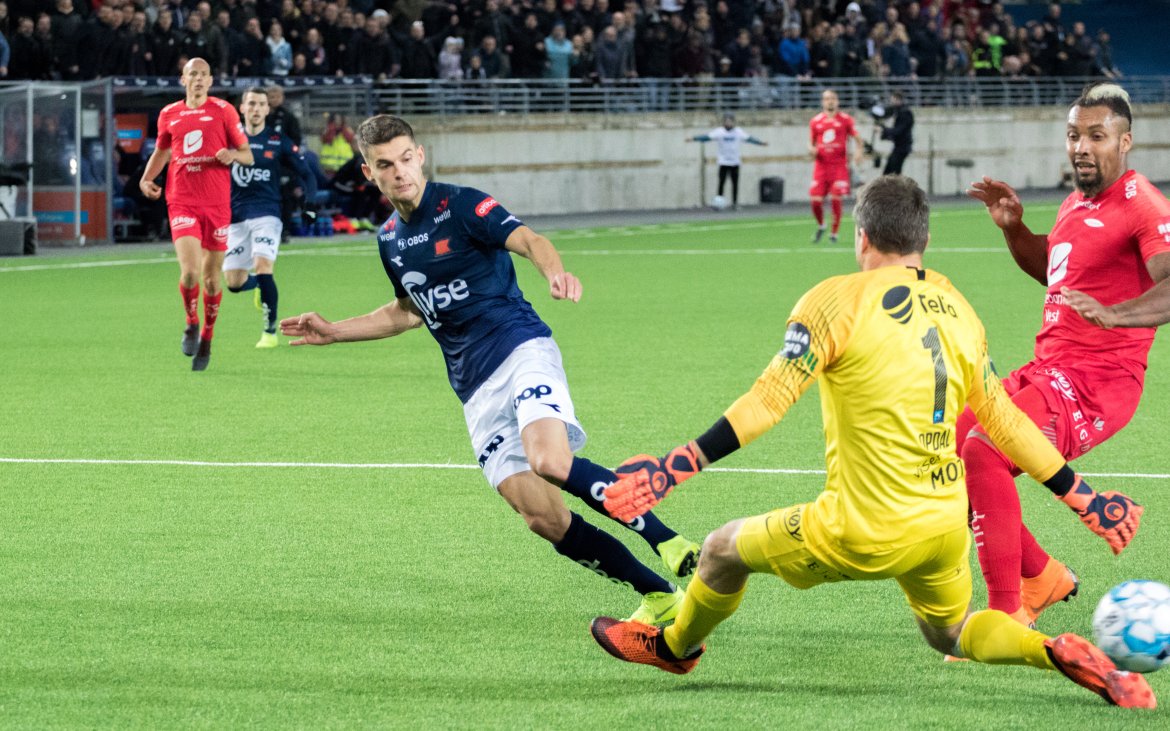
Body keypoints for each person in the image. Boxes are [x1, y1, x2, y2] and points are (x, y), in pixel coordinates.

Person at [586, 175, 1154, 709]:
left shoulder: (834, 301)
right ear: (924, 239)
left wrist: (673, 467)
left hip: (863, 527)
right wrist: (1083, 497)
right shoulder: (958, 309)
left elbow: (767, 403)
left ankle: (676, 648)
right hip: (941, 525)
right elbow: (1003, 422)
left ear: (860, 236)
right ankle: (1046, 650)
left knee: (721, 550)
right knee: (951, 635)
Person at [280, 115, 701, 624]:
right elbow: (408, 312)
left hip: (521, 348)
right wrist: (334, 331)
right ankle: (660, 595)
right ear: (370, 173)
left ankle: (670, 542)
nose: (400, 172)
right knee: (542, 517)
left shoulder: (460, 205)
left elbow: (528, 240)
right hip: (475, 391)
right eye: (385, 165)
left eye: (406, 158)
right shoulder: (389, 238)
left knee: (549, 460)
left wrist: (555, 272)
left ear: (421, 155)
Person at [961, 82, 1164, 626]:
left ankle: (1006, 613)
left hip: (1099, 382)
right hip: (1050, 369)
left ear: (1125, 142)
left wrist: (1117, 315)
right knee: (954, 444)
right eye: (1074, 134)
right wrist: (1015, 231)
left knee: (984, 451)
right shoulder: (1078, 202)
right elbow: (1054, 269)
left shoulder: (1143, 205)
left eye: (1096, 135)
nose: (1081, 146)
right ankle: (1041, 575)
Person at [139, 57, 253, 371]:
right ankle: (191, 320)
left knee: (212, 280)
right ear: (183, 79)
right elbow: (162, 150)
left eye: (204, 75)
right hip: (182, 201)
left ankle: (207, 337)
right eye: (193, 74)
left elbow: (247, 154)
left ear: (211, 80)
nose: (199, 79)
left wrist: (232, 155)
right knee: (190, 273)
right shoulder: (169, 114)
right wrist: (147, 178)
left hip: (217, 205)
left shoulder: (224, 111)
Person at [224, 87, 318, 349]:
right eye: (251, 103)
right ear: (242, 108)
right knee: (233, 283)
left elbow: (307, 173)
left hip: (268, 213)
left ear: (268, 109)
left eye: (261, 104)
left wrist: (309, 204)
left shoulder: (279, 141)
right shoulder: (227, 139)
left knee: (264, 266)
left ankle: (269, 332)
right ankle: (258, 286)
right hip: (235, 217)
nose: (255, 108)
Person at [808, 89, 864, 244]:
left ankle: (834, 233)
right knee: (816, 200)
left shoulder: (845, 120)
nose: (830, 101)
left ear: (837, 101)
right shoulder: (815, 121)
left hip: (839, 166)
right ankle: (821, 225)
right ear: (822, 101)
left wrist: (859, 152)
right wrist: (811, 150)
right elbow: (811, 143)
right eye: (826, 99)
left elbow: (858, 139)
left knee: (835, 199)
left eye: (832, 98)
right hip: (821, 166)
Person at [686, 113, 767, 210]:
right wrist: (693, 139)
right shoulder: (720, 132)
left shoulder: (738, 132)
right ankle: (718, 204)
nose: (728, 123)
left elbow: (749, 139)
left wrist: (761, 143)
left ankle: (735, 203)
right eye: (726, 121)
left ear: (733, 122)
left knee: (735, 184)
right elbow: (707, 137)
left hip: (735, 162)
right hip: (723, 162)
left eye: (730, 121)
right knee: (721, 183)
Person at [879, 90, 913, 176]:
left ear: (898, 99)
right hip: (899, 146)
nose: (891, 102)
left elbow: (898, 131)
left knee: (893, 173)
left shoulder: (905, 113)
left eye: (893, 100)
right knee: (890, 172)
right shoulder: (900, 111)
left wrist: (883, 130)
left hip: (902, 147)